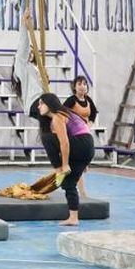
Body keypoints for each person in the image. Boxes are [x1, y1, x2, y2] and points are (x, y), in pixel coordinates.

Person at [34, 93, 95, 226]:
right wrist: (84, 161)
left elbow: (65, 143)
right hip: (87, 148)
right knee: (68, 183)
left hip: (82, 144)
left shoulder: (58, 117)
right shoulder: (65, 113)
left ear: (49, 104)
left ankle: (58, 169)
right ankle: (73, 218)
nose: (39, 106)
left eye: (41, 103)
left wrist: (64, 165)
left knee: (46, 137)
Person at [64, 75, 98, 197]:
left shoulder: (88, 100)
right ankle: (82, 193)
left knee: (82, 164)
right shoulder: (71, 100)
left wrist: (89, 125)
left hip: (85, 133)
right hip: (74, 134)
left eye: (84, 84)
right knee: (77, 165)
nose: (82, 87)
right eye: (79, 84)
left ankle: (83, 167)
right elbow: (62, 112)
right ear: (74, 87)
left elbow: (94, 113)